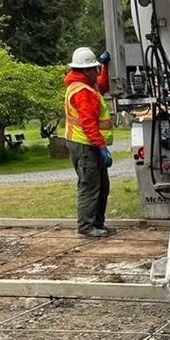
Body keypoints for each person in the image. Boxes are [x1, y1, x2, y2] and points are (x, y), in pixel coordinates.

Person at [64, 47, 114, 238]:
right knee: (90, 186)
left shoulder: (86, 85)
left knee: (102, 185)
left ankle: (97, 224)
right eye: (94, 68)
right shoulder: (82, 92)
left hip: (87, 144)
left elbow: (102, 86)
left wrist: (105, 67)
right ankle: (86, 227)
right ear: (85, 71)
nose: (97, 71)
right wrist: (102, 147)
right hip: (85, 146)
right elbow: (88, 124)